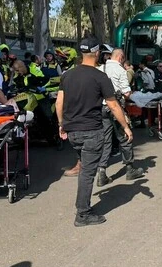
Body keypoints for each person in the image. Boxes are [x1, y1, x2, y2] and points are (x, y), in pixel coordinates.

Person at [56, 36, 134, 227]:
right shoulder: (100, 77)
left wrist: (61, 124)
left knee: (85, 167)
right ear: (98, 53)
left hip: (72, 132)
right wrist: (125, 126)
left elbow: (59, 102)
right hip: (91, 131)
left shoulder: (67, 75)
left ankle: (82, 207)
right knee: (87, 173)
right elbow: (114, 105)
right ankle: (82, 214)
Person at [96, 48, 145, 186]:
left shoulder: (100, 68)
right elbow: (127, 93)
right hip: (116, 108)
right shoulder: (121, 71)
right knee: (125, 137)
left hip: (102, 108)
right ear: (121, 57)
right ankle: (130, 169)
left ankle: (101, 172)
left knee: (106, 140)